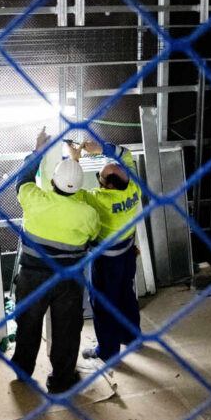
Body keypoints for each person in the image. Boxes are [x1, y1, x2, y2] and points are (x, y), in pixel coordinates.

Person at [11, 127, 101, 394]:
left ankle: (23, 373)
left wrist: (38, 151)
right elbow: (93, 238)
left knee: (27, 324)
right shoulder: (86, 213)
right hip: (68, 280)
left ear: (52, 182)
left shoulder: (35, 200)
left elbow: (22, 179)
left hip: (33, 276)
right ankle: (61, 380)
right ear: (79, 188)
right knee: (67, 330)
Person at [69, 139, 142, 363]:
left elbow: (70, 191)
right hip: (128, 252)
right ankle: (132, 337)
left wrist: (74, 160)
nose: (98, 181)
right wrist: (100, 149)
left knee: (103, 304)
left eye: (99, 178)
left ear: (108, 185)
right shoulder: (134, 185)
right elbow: (126, 154)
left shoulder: (99, 200)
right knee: (126, 295)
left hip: (107, 261)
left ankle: (108, 352)